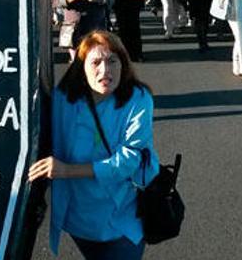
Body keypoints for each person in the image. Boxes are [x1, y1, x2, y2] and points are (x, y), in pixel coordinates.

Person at [29, 31, 159, 260]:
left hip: (122, 218)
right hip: (80, 219)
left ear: (123, 64)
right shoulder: (63, 100)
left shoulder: (138, 98)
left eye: (112, 61)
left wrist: (67, 171)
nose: (105, 71)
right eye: (96, 62)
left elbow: (129, 160)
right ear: (81, 67)